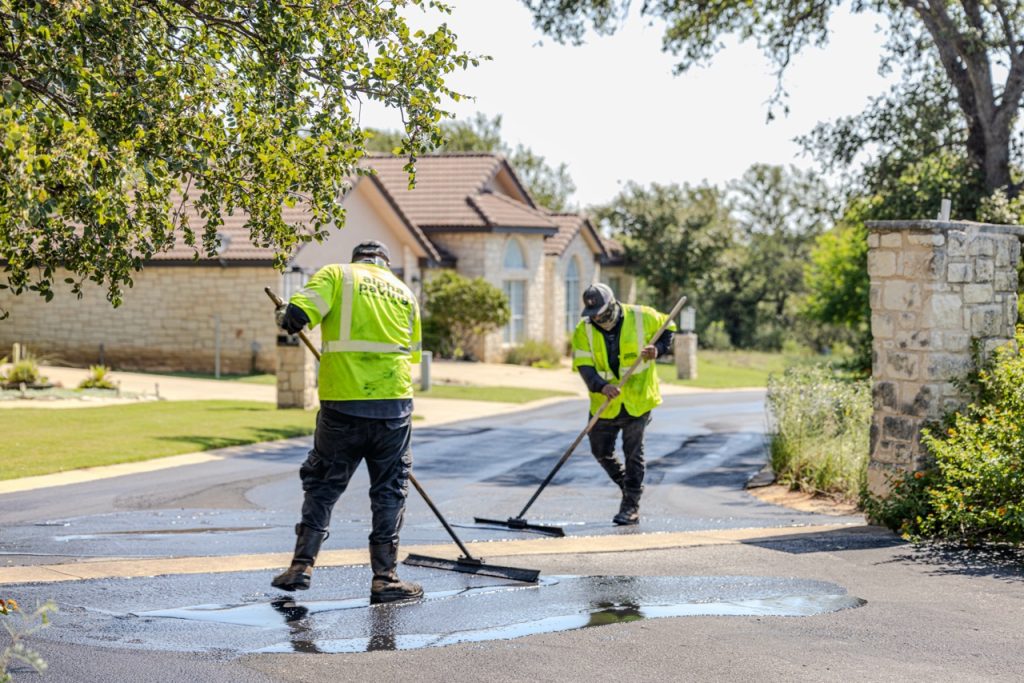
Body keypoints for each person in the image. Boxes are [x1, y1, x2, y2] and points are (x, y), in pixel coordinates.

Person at [271, 240, 424, 604]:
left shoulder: (337, 275)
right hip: (394, 409)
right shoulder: (405, 293)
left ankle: (302, 566)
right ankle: (385, 578)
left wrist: (283, 316)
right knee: (389, 491)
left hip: (344, 404)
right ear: (384, 264)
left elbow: (295, 318)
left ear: (356, 259)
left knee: (323, 483)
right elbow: (412, 354)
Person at [571, 283, 675, 526]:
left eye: (600, 312)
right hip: (604, 402)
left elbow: (668, 327)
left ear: (612, 305)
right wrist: (600, 386)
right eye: (592, 314)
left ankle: (630, 506)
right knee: (600, 451)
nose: (597, 318)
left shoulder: (643, 316)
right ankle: (628, 486)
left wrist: (657, 350)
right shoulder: (583, 330)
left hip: (637, 400)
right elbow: (584, 366)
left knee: (633, 453)